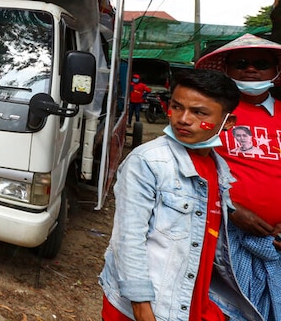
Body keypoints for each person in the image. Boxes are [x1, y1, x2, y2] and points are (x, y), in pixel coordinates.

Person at [99, 69, 262, 321]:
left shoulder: (219, 168)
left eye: (199, 112)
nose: (183, 119)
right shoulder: (148, 162)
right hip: (148, 308)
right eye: (177, 106)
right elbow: (128, 240)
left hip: (191, 303)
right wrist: (143, 310)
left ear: (228, 122)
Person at [195, 34, 281, 321]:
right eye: (241, 64)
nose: (251, 70)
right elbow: (194, 168)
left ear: (276, 71)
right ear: (228, 71)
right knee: (224, 309)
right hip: (224, 233)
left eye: (261, 64)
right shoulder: (215, 113)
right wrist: (231, 208)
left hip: (276, 241)